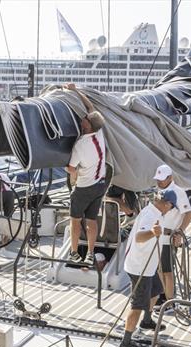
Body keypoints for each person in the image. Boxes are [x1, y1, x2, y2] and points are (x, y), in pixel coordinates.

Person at [119, 190, 178, 347]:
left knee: (156, 291)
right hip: (140, 268)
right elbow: (139, 237)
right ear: (167, 204)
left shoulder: (155, 212)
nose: (171, 210)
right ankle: (126, 342)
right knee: (137, 305)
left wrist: (169, 232)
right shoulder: (150, 216)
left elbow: (158, 228)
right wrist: (152, 233)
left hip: (148, 266)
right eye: (172, 207)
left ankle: (146, 321)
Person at [64, 82, 107, 265]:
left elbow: (71, 169)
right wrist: (77, 91)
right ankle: (90, 253)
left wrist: (63, 165)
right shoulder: (100, 133)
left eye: (85, 119)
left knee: (75, 221)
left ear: (87, 126)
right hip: (100, 184)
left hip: (84, 188)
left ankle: (74, 253)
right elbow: (90, 107)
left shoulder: (81, 145)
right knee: (91, 220)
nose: (82, 119)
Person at [152, 164, 191, 307]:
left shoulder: (178, 192)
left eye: (162, 179)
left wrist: (180, 232)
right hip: (157, 237)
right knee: (159, 269)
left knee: (167, 271)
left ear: (170, 178)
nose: (159, 182)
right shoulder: (159, 191)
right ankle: (164, 296)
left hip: (168, 238)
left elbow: (189, 213)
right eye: (158, 179)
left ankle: (169, 302)